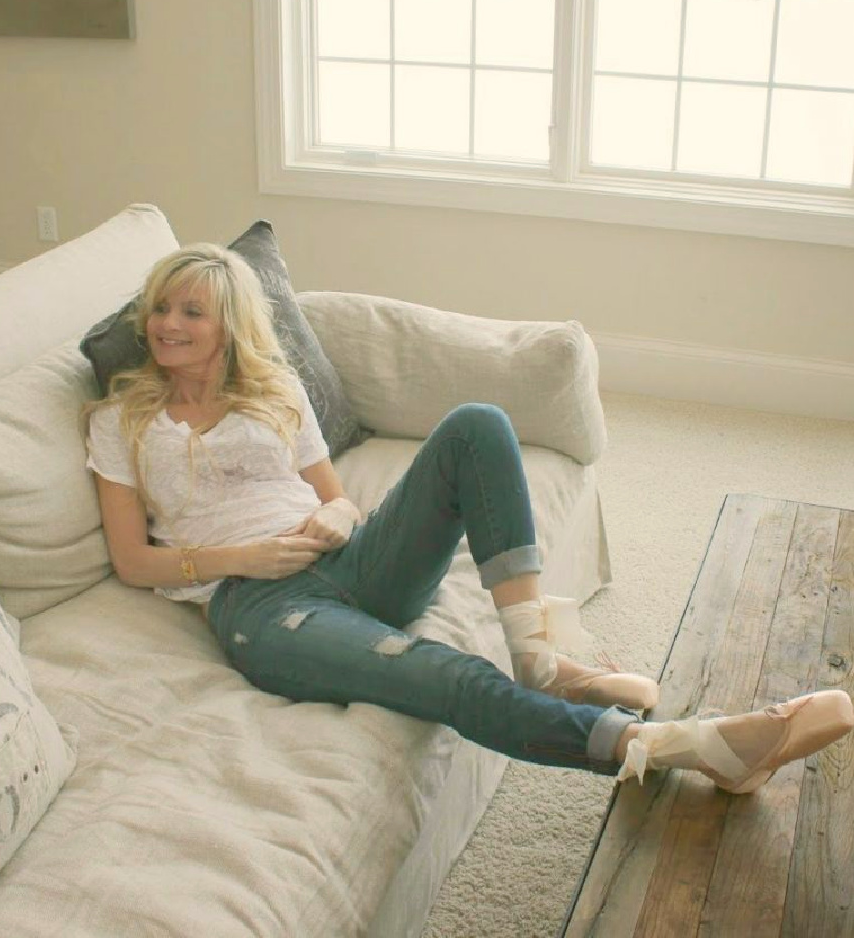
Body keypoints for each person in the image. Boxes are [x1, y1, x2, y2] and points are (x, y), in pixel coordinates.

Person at [84, 243, 854, 791]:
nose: (166, 324)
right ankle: (688, 747)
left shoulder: (275, 391)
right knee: (447, 673)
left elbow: (337, 494)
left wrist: (339, 519)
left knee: (477, 424)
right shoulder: (122, 419)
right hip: (260, 604)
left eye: (191, 310)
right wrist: (241, 560)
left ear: (229, 327)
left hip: (349, 562)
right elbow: (132, 561)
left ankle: (539, 657)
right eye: (159, 307)